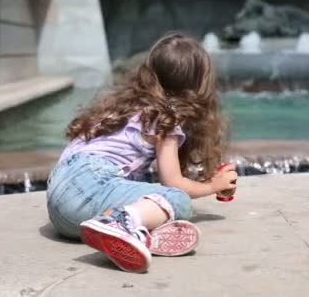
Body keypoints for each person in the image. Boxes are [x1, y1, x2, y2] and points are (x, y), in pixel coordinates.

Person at [46, 33, 238, 273]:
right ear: (199, 85)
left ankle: (135, 232)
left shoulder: (124, 106)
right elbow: (174, 183)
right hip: (89, 185)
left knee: (149, 189)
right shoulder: (163, 119)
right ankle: (119, 222)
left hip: (62, 212)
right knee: (177, 199)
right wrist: (212, 186)